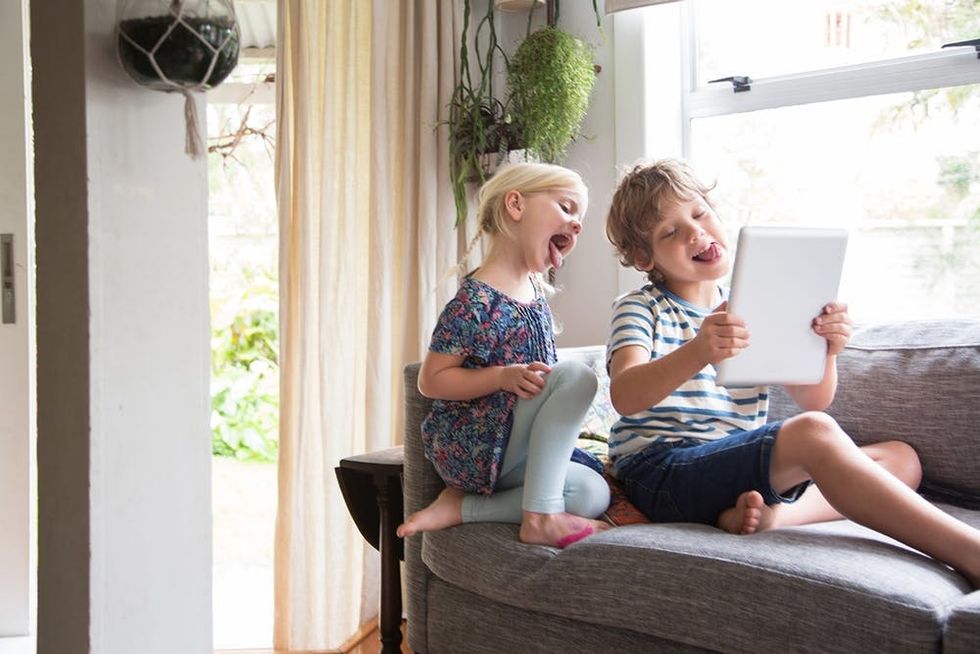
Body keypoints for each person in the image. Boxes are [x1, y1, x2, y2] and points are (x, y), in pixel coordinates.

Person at [603, 158, 980, 588]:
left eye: (700, 213)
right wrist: (698, 350)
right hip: (660, 470)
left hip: (731, 464)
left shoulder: (751, 301)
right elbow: (626, 395)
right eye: (670, 232)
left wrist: (827, 352)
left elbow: (813, 398)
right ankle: (969, 551)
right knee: (812, 433)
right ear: (642, 256)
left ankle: (774, 516)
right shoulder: (640, 307)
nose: (695, 232)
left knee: (901, 459)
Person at [397, 162, 611, 548]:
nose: (577, 225)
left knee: (592, 493)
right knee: (577, 376)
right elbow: (430, 380)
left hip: (515, 451)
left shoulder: (536, 295)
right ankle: (541, 518)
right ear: (515, 204)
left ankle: (465, 508)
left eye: (579, 218)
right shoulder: (475, 300)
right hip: (478, 442)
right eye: (566, 208)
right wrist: (500, 377)